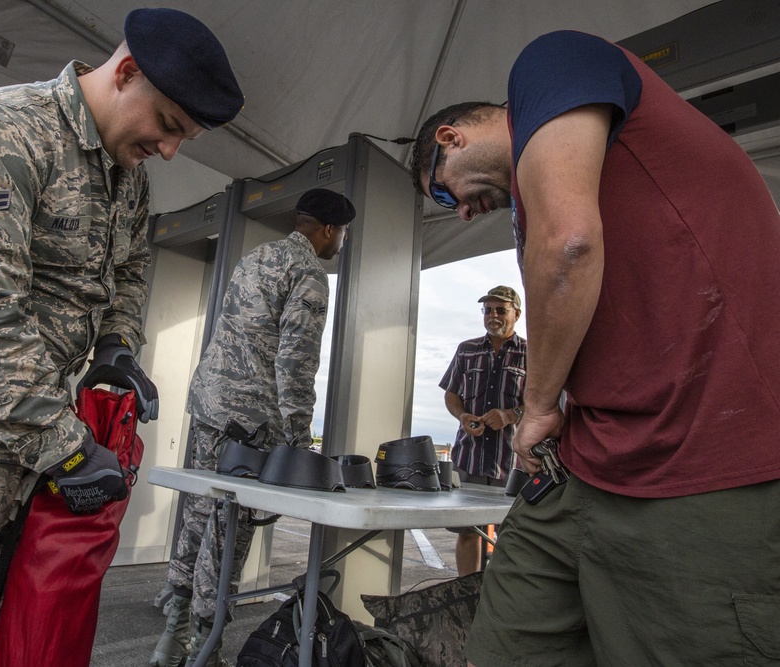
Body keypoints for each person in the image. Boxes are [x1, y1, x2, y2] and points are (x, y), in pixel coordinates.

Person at [0, 8, 243, 666]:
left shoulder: (127, 178)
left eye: (186, 137)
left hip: (22, 441)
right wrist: (64, 447)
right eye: (169, 125)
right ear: (124, 73)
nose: (171, 149)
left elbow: (128, 267)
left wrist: (115, 346)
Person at [409, 30, 780, 665]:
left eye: (443, 194)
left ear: (451, 137)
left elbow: (571, 244)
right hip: (581, 465)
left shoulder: (552, 63)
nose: (462, 214)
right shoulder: (542, 195)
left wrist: (537, 405)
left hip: (697, 462)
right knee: (503, 648)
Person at [150, 188, 355, 667]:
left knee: (200, 512)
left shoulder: (258, 256)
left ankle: (171, 635)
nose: (340, 243)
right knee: (229, 529)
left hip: (209, 405)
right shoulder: (309, 273)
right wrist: (301, 441)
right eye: (341, 234)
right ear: (328, 230)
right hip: (250, 423)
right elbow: (295, 364)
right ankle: (206, 643)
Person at [439, 285, 525, 576]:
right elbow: (451, 394)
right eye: (488, 310)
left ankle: (501, 600)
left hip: (512, 463)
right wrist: (462, 415)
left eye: (500, 310)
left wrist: (511, 415)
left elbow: (546, 401)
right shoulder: (467, 350)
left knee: (513, 536)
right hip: (470, 458)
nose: (493, 315)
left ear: (517, 313)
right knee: (468, 531)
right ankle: (467, 593)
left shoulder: (532, 353)